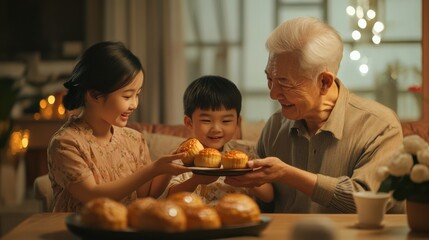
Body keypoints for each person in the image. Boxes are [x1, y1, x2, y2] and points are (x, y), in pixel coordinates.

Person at [224, 17, 404, 213]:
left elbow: (367, 201)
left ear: (324, 82)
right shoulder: (276, 125)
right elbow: (265, 206)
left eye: (285, 83)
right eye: (269, 79)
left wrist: (288, 174)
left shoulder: (380, 126)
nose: (273, 93)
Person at [47, 41, 189, 212]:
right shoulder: (66, 143)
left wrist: (167, 169)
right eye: (127, 96)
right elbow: (93, 196)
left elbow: (145, 194)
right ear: (94, 95)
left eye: (137, 94)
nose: (134, 104)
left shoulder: (133, 139)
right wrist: (153, 169)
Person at [165, 75, 274, 206]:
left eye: (226, 121)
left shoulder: (246, 154)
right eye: (206, 120)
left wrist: (247, 177)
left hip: (239, 219)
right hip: (197, 220)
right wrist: (195, 180)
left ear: (238, 122)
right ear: (189, 122)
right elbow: (170, 198)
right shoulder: (182, 157)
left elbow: (269, 196)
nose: (216, 128)